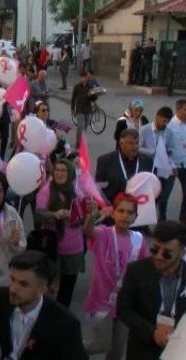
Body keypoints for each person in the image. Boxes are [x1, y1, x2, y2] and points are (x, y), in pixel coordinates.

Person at [0, 251, 87, 360]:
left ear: (43, 289)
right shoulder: (2, 298)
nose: (13, 289)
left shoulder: (66, 324)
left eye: (23, 284)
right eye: (12, 279)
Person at [82, 193, 150, 360]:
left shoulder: (139, 240)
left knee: (117, 351)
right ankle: (70, 349)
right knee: (102, 344)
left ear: (135, 217)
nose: (125, 216)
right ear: (113, 213)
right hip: (102, 302)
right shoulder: (104, 233)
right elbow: (88, 231)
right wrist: (91, 216)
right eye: (121, 211)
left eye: (129, 212)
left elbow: (146, 269)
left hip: (126, 304)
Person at [117, 220, 186, 360]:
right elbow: (123, 310)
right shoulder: (136, 270)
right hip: (143, 350)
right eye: (154, 249)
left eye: (167, 254)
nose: (158, 256)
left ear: (182, 252)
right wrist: (152, 332)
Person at [35, 159, 85, 308]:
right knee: (47, 289)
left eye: (63, 170)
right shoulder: (46, 190)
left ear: (70, 173)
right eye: (57, 170)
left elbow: (80, 221)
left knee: (66, 291)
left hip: (73, 249)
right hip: (52, 248)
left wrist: (73, 216)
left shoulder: (77, 192)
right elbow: (38, 215)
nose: (59, 173)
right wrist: (55, 215)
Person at [95, 128, 154, 204]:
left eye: (137, 143)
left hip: (137, 210)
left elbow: (150, 188)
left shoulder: (147, 162)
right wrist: (104, 206)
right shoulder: (105, 161)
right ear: (121, 144)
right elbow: (98, 188)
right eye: (131, 143)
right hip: (112, 208)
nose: (135, 147)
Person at [139, 106, 173, 221]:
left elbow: (170, 148)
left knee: (157, 196)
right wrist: (153, 152)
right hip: (147, 167)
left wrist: (167, 152)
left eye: (168, 122)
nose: (165, 124)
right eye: (164, 121)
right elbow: (137, 148)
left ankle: (149, 221)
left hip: (161, 169)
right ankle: (141, 222)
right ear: (157, 117)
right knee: (145, 196)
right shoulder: (145, 130)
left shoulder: (168, 132)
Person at [166, 99, 186, 223]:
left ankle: (183, 222)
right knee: (164, 195)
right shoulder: (170, 126)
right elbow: (164, 149)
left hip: (184, 165)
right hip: (171, 166)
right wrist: (171, 165)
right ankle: (161, 219)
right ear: (178, 110)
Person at [71, 71, 95, 148]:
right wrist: (72, 109)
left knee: (85, 126)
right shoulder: (77, 87)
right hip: (80, 108)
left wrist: (94, 95)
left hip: (87, 108)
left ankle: (83, 140)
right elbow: (73, 98)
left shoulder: (90, 87)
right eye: (81, 77)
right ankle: (78, 142)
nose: (83, 79)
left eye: (84, 77)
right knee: (80, 126)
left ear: (86, 78)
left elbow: (93, 99)